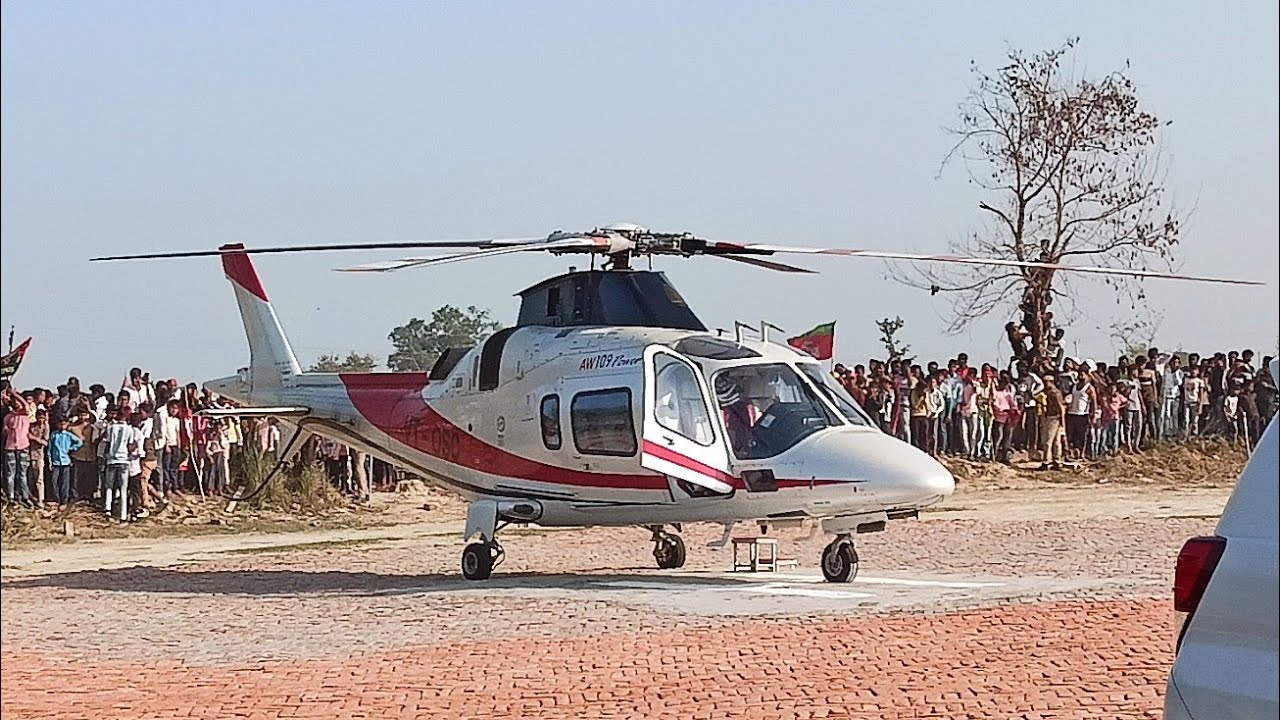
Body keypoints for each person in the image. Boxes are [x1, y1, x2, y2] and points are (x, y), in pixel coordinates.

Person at [100, 406, 135, 522]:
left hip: (112, 460)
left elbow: (108, 443)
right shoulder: (130, 429)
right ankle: (123, 514)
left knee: (109, 486)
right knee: (123, 488)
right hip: (123, 460)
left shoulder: (111, 428)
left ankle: (107, 509)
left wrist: (105, 456)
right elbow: (130, 445)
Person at [2, 387, 33, 507]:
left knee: (22, 474)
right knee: (10, 474)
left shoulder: (25, 413)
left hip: (23, 446)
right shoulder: (8, 417)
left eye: (18, 401)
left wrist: (14, 394)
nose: (16, 403)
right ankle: (11, 498)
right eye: (14, 401)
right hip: (10, 447)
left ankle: (24, 497)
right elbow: (4, 432)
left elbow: (25, 404)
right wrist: (5, 430)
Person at [47, 416, 82, 507]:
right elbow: (50, 448)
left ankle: (64, 501)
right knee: (54, 480)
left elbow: (79, 442)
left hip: (65, 462)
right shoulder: (54, 435)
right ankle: (56, 499)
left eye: (64, 424)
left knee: (65, 483)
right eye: (60, 424)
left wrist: (71, 448)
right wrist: (50, 461)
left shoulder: (68, 435)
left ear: (67, 425)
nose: (62, 426)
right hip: (55, 462)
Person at [1065, 371, 1096, 460]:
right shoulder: (1074, 386)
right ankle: (1072, 453)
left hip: (1082, 414)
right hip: (1072, 413)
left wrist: (1093, 414)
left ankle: (1082, 453)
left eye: (1082, 375)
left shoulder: (1089, 387)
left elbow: (1094, 402)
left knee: (1082, 435)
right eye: (1079, 374)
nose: (1080, 376)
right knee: (1071, 434)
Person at [1039, 374, 1066, 470]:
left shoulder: (1053, 393)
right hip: (1055, 417)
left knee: (1048, 440)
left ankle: (1046, 461)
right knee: (1056, 441)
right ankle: (1057, 461)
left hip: (1053, 417)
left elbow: (1060, 407)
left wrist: (1062, 420)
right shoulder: (1053, 392)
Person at [28, 407, 50, 506]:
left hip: (39, 455)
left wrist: (35, 438)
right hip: (28, 454)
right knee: (29, 478)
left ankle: (40, 499)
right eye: (39, 417)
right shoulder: (31, 426)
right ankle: (29, 497)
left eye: (42, 417)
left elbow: (45, 442)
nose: (40, 419)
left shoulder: (45, 428)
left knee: (39, 479)